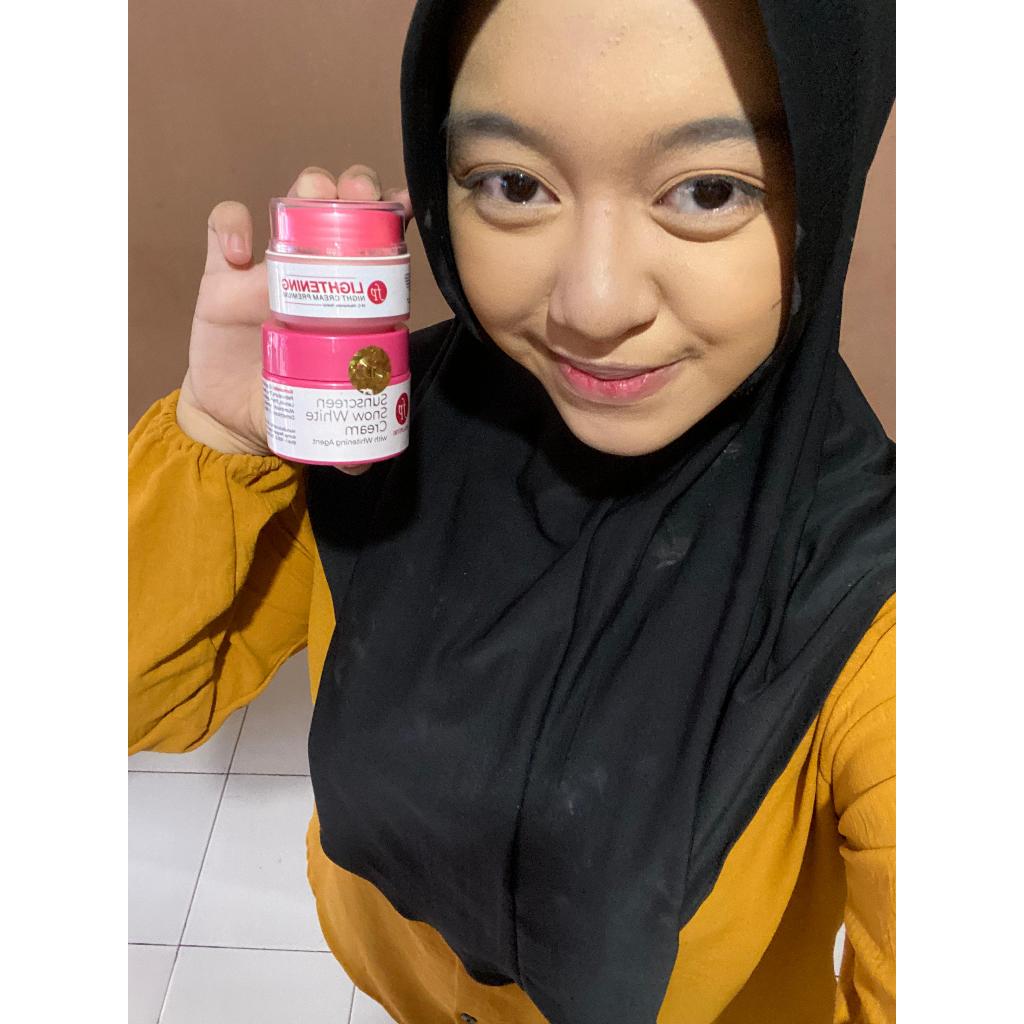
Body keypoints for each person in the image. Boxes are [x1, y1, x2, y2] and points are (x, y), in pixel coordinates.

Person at [128, 0, 895, 1021]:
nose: (593, 305)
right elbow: (138, 699)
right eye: (514, 184)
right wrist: (216, 437)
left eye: (708, 191)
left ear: (824, 193)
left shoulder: (875, 601)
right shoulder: (383, 428)